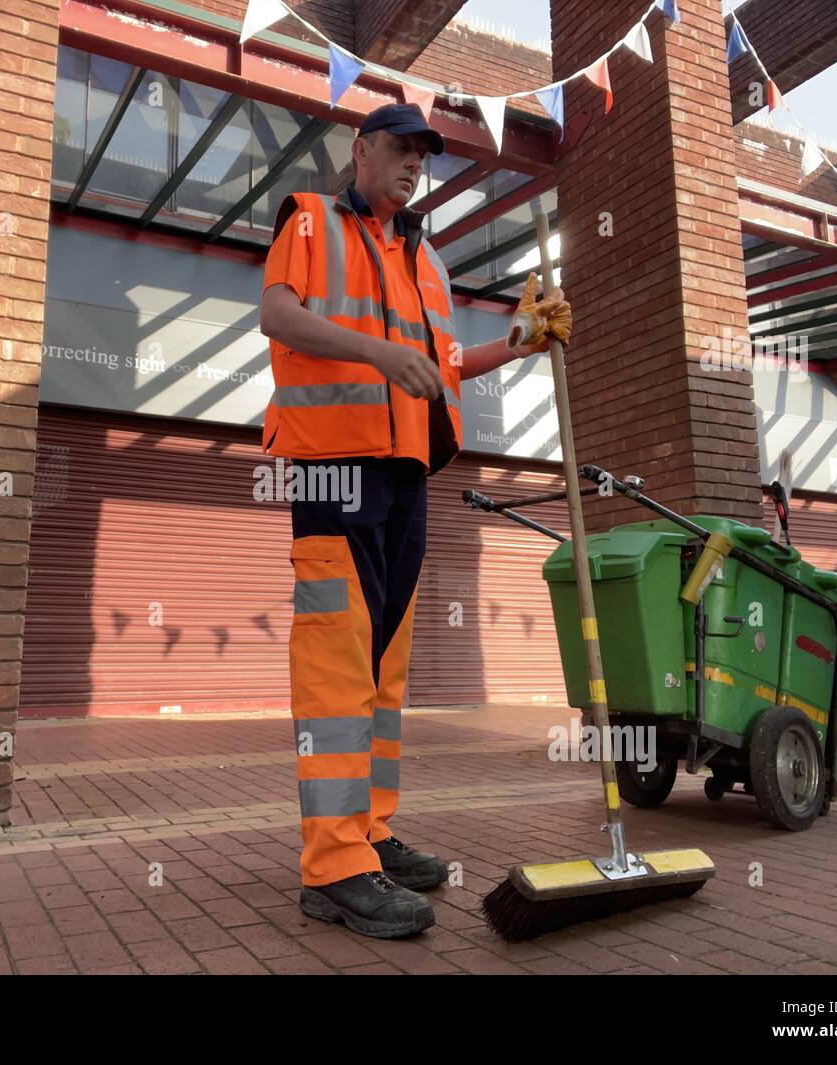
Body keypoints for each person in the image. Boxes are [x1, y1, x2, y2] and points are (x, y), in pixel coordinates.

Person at [259, 102, 573, 939]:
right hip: (334, 468)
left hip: (404, 475)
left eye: (422, 156)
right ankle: (331, 866)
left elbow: (442, 363)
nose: (412, 165)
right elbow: (277, 315)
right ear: (361, 151)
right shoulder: (311, 218)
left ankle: (369, 831)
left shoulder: (422, 258)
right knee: (336, 660)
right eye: (399, 149)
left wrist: (520, 340)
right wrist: (376, 354)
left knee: (384, 663)